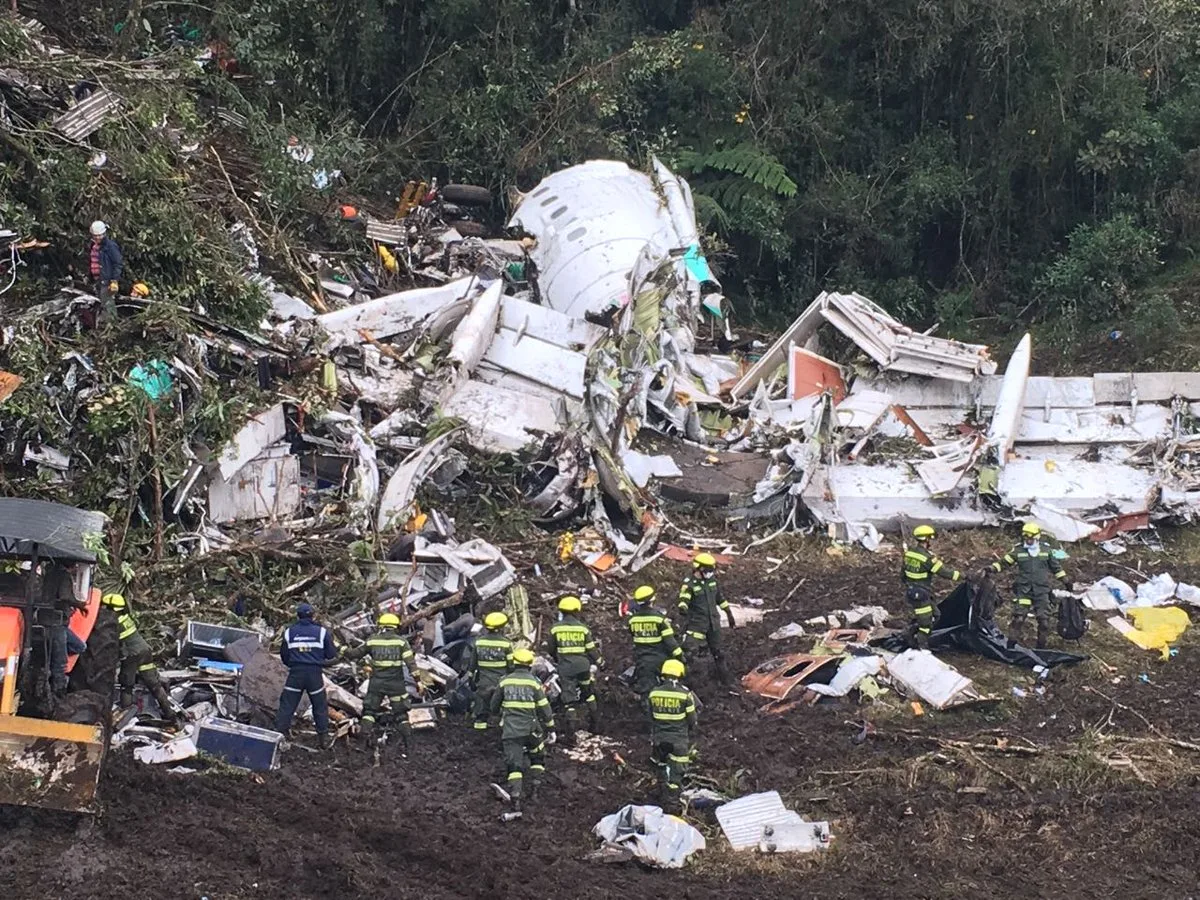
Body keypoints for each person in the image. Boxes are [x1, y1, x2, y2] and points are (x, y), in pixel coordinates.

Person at [490, 648, 556, 814]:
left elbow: (493, 707)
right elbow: (544, 708)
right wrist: (551, 728)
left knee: (514, 766)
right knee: (537, 758)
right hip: (532, 730)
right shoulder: (534, 683)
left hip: (511, 731)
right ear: (529, 665)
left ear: (514, 662)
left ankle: (516, 799)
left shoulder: (504, 682)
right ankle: (535, 791)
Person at [342, 612, 416, 753]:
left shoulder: (373, 640)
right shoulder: (401, 642)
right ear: (395, 627)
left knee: (369, 712)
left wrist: (342, 649)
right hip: (396, 684)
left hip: (377, 684)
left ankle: (361, 744)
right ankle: (409, 745)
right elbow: (411, 664)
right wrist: (419, 682)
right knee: (401, 714)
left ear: (381, 626)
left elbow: (354, 654)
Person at [991, 522, 1068, 648]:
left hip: (1042, 591)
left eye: (1030, 538)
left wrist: (1066, 581)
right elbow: (1004, 563)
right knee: (1018, 619)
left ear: (1037, 537)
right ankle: (1010, 647)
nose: (1028, 540)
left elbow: (1056, 568)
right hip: (1024, 590)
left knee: (1044, 621)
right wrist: (991, 569)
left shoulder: (1046, 550)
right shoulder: (1018, 550)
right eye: (1025, 537)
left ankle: (1041, 649)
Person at [101, 593, 176, 721]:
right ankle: (170, 714)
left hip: (132, 654)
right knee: (154, 684)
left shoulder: (113, 623)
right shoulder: (126, 618)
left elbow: (112, 644)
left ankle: (126, 718)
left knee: (126, 685)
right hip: (145, 651)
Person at [275, 601, 338, 748]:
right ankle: (323, 739)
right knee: (319, 705)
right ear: (313, 616)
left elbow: (284, 656)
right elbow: (331, 654)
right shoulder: (322, 632)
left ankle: (278, 736)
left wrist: (295, 663)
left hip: (296, 674)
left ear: (297, 616)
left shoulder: (289, 632)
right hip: (314, 674)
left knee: (287, 705)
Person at [545, 596, 603, 743]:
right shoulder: (582, 628)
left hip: (566, 668)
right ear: (577, 610)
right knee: (588, 693)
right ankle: (596, 726)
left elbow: (551, 649)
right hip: (583, 666)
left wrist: (558, 659)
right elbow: (591, 649)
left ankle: (571, 734)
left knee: (569, 700)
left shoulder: (555, 628)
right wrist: (600, 661)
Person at [647, 658, 698, 810]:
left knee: (661, 768)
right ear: (679, 673)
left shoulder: (654, 693)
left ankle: (660, 798)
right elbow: (692, 720)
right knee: (676, 775)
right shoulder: (685, 695)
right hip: (678, 740)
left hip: (659, 739)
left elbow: (650, 716)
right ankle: (672, 806)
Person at [677, 553, 736, 684]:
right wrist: (683, 608)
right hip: (697, 624)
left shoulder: (712, 582)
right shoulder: (689, 584)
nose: (710, 573)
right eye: (707, 570)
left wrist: (729, 613)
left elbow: (720, 598)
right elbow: (683, 600)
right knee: (689, 652)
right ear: (698, 568)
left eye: (711, 570)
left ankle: (726, 681)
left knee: (719, 653)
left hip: (713, 624)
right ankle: (684, 683)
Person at [900, 525, 961, 648]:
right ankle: (921, 648)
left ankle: (911, 631)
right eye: (931, 538)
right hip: (920, 595)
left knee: (936, 614)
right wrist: (963, 576)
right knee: (926, 625)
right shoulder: (927, 558)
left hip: (915, 592)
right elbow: (943, 572)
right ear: (927, 539)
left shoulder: (910, 553)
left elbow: (902, 574)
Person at [627, 585, 683, 698]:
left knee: (647, 692)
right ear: (652, 600)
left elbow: (634, 637)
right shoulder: (659, 619)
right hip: (660, 660)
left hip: (642, 661)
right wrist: (680, 656)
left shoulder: (632, 620)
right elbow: (670, 641)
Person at [41, 562, 87, 695]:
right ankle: (58, 694)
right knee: (60, 664)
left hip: (46, 620)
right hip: (56, 622)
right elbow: (65, 596)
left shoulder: (47, 575)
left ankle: (51, 662)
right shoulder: (64, 575)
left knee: (79, 647)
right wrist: (79, 605)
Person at [464, 611, 514, 732]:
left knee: (481, 707)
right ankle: (500, 726)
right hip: (500, 682)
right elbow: (511, 666)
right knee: (502, 705)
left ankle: (480, 729)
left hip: (484, 682)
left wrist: (470, 678)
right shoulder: (506, 644)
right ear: (500, 628)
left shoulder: (479, 642)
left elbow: (472, 664)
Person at [88, 220, 123, 319]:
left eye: (100, 235)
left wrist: (114, 280)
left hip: (107, 281)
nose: (98, 237)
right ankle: (105, 326)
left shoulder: (110, 246)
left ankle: (113, 326)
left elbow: (118, 263)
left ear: (104, 233)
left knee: (108, 305)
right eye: (95, 235)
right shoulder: (93, 246)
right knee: (101, 305)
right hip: (98, 280)